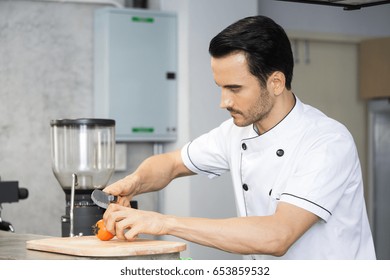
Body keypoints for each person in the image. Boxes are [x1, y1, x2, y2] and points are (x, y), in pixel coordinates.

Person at [102, 15, 376, 260]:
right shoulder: (235, 132)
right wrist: (133, 184)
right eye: (220, 87)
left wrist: (164, 224)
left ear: (276, 82)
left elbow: (278, 236)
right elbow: (171, 163)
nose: (223, 101)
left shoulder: (326, 141)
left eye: (235, 88)